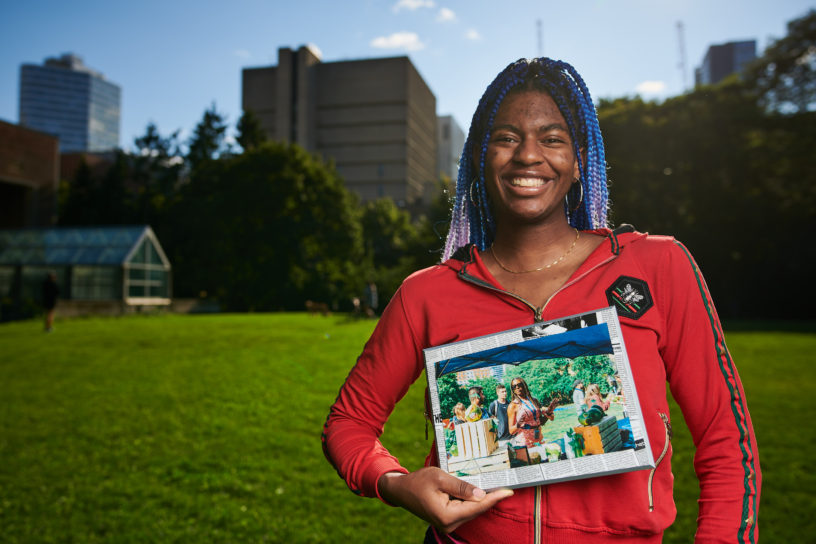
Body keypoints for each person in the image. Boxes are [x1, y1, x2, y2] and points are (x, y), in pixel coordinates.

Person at [322, 57, 760, 542]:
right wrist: (396, 483)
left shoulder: (658, 267)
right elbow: (348, 423)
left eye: (552, 139)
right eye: (506, 138)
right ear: (480, 159)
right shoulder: (426, 292)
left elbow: (726, 441)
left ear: (579, 162)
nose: (528, 155)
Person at [506, 377, 556, 448]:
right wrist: (519, 424)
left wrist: (549, 412)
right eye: (514, 386)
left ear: (524, 385)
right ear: (512, 390)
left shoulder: (534, 401)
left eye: (519, 385)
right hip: (525, 442)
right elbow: (511, 431)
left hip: (539, 438)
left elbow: (541, 422)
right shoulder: (513, 406)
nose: (517, 388)